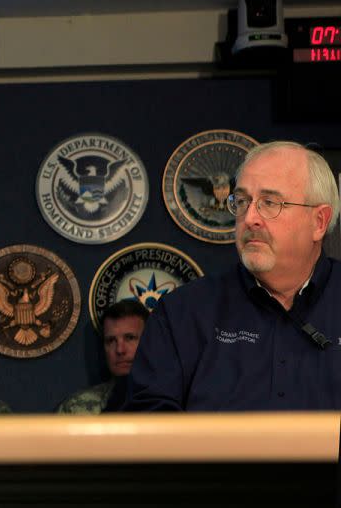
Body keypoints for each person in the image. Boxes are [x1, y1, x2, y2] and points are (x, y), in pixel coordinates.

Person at [123, 141, 341, 411]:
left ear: (319, 222)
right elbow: (148, 429)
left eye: (269, 203)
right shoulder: (183, 313)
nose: (249, 218)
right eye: (241, 201)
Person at [56, 299, 148, 414]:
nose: (120, 350)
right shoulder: (76, 409)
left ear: (149, 342)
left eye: (130, 338)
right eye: (111, 340)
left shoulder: (171, 403)